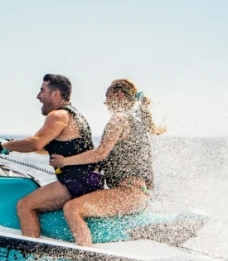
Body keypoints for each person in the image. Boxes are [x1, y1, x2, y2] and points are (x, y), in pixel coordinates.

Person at [48, 79, 166, 246]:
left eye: (106, 97)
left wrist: (64, 161)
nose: (105, 103)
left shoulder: (119, 119)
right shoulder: (135, 123)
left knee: (72, 208)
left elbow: (100, 153)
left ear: (117, 95)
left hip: (128, 194)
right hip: (137, 194)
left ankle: (84, 258)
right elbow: (111, 159)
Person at [0, 74, 104, 238]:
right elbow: (43, 148)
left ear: (55, 94)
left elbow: (35, 143)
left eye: (42, 91)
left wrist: (2, 146)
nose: (38, 96)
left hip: (77, 181)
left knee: (25, 205)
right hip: (88, 179)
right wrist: (11, 146)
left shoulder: (58, 116)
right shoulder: (76, 115)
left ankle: (29, 256)